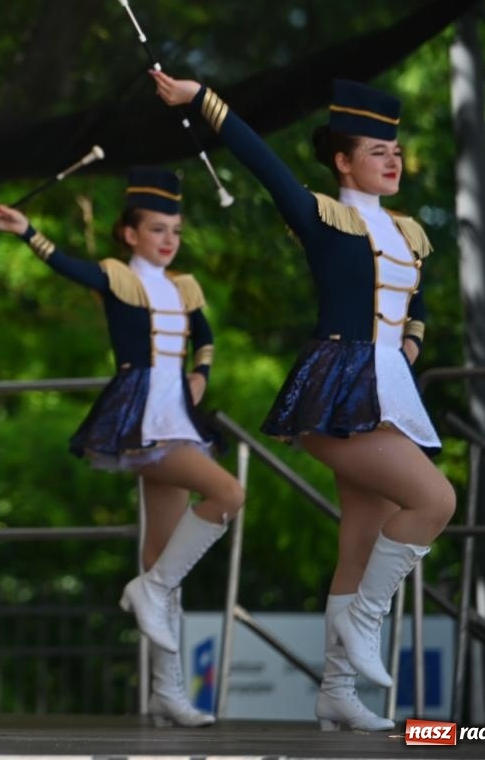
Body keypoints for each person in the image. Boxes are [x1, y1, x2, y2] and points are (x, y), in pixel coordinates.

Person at [152, 72, 454, 732]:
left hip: (387, 390)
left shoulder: (407, 232)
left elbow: (416, 303)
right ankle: (366, 620)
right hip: (336, 387)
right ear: (343, 160)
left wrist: (409, 345)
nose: (393, 159)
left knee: (361, 536)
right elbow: (259, 158)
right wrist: (200, 99)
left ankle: (338, 690)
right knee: (435, 500)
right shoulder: (322, 215)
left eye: (395, 150)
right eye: (377, 151)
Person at [0, 167, 240, 728]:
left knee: (161, 551)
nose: (169, 240)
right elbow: (67, 266)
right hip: (143, 410)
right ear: (129, 234)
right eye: (157, 230)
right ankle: (150, 592)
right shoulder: (119, 277)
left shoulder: (184, 286)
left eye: (175, 230)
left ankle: (166, 690)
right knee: (227, 493)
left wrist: (201, 373)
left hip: (181, 410)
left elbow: (207, 334)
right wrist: (28, 232)